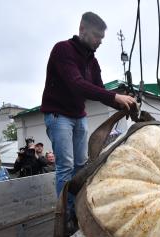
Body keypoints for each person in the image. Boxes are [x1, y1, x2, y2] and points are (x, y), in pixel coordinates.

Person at [40, 12, 136, 223]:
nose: (99, 41)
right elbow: (77, 84)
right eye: (95, 36)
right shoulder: (62, 50)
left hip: (78, 115)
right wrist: (114, 95)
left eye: (102, 38)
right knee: (65, 166)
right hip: (59, 116)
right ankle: (65, 215)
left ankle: (77, 211)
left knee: (80, 166)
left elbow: (99, 91)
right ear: (82, 29)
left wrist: (123, 102)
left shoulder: (92, 61)